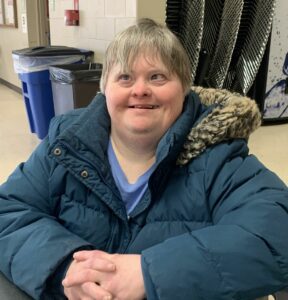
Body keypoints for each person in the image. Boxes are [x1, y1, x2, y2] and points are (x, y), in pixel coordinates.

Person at [0, 18, 288, 300]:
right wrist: (65, 267)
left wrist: (150, 274)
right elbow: (8, 211)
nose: (140, 89)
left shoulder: (218, 155)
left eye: (157, 77)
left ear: (184, 89)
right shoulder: (65, 144)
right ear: (105, 88)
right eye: (125, 77)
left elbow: (276, 231)